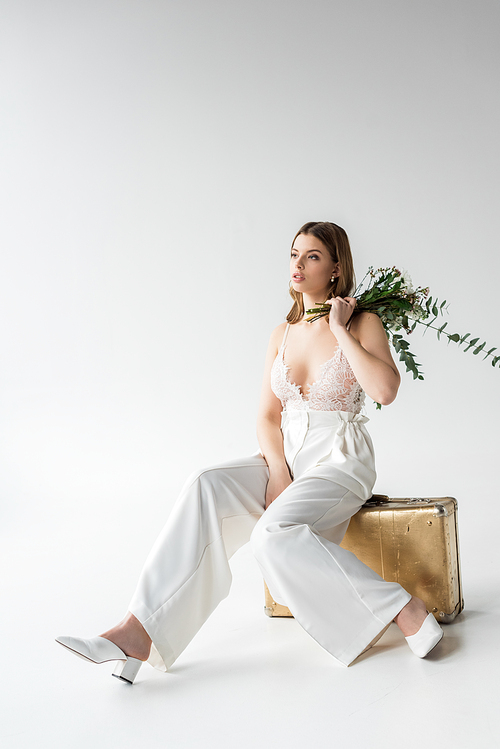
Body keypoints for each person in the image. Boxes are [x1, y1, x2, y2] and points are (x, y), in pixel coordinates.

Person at [56, 221, 443, 684]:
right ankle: (139, 629)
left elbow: (385, 390)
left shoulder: (363, 323)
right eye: (294, 253)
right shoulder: (281, 333)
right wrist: (278, 472)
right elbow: (266, 415)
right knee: (206, 483)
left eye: (313, 256)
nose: (297, 264)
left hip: (339, 459)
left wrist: (341, 330)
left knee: (272, 534)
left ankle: (400, 607)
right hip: (286, 457)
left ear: (337, 268)